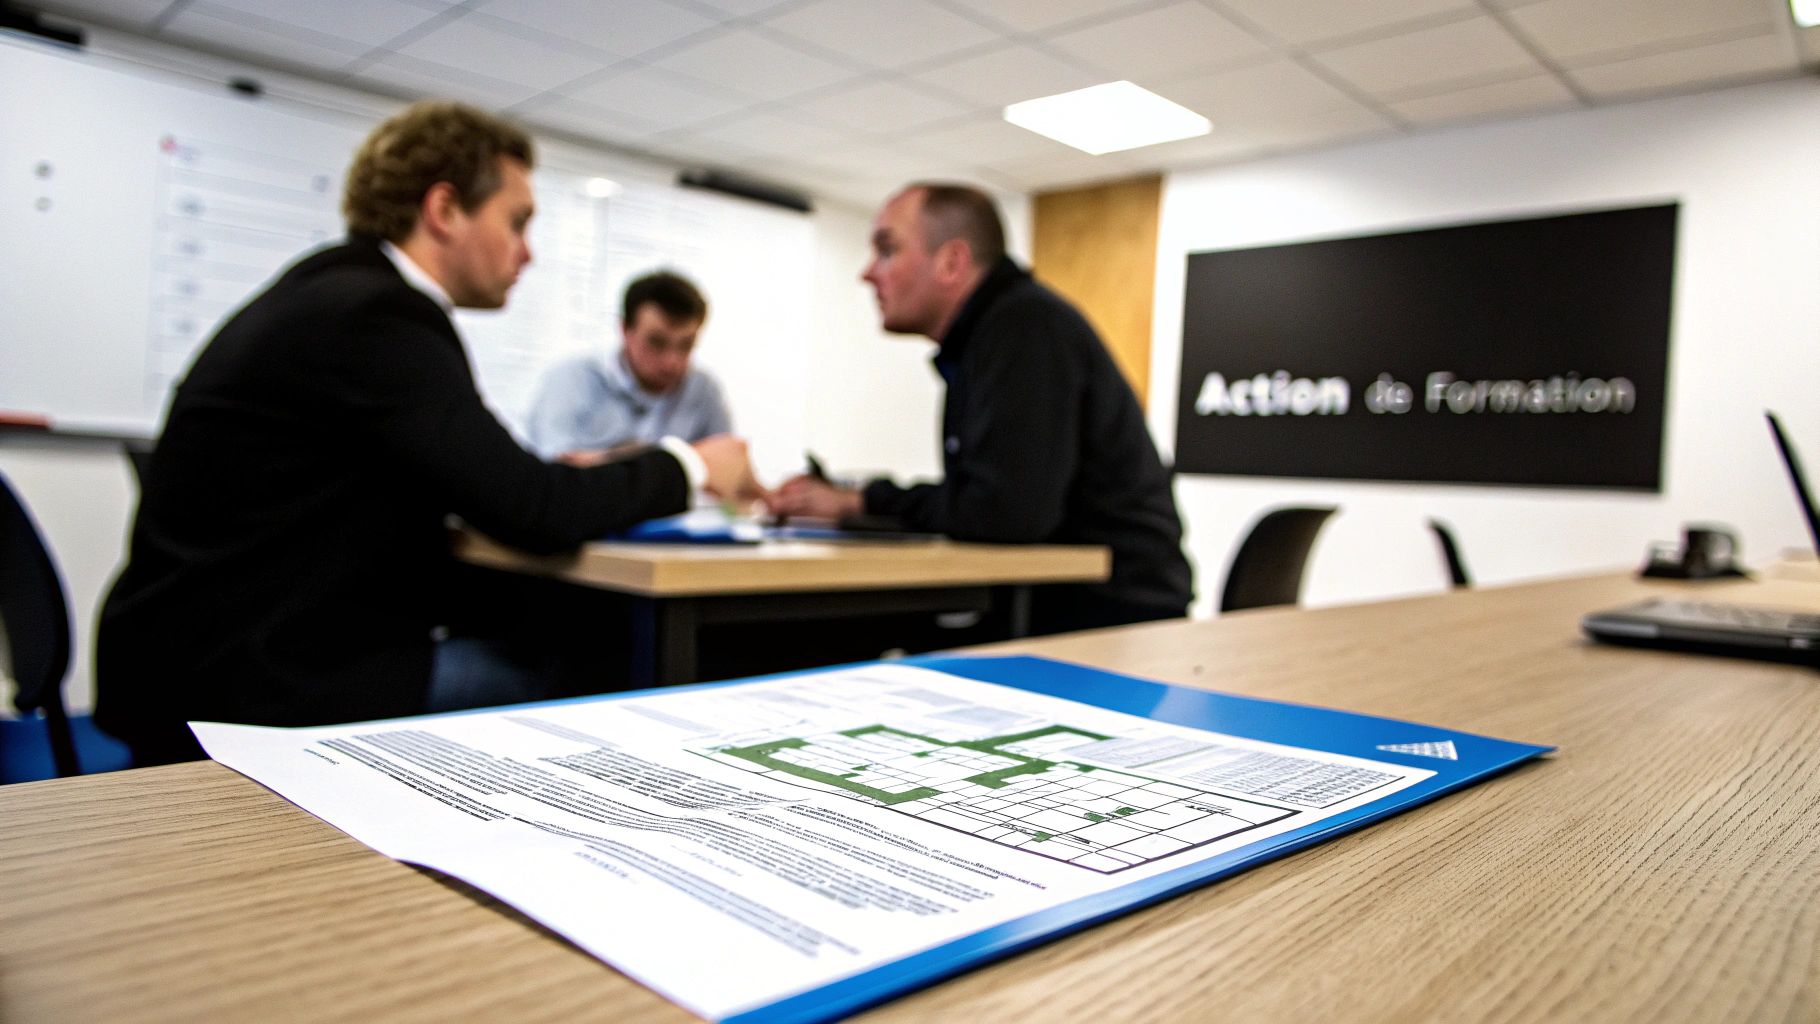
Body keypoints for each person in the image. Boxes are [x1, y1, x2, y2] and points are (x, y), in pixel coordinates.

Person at [95, 101, 759, 766]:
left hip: (197, 658)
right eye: (518, 222)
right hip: (254, 685)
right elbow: (535, 507)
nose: (529, 252)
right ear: (445, 211)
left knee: (532, 625)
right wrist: (691, 466)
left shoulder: (330, 293)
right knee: (583, 664)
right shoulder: (378, 316)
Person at [769, 183, 1193, 636]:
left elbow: (1003, 514)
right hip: (1068, 604)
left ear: (952, 261)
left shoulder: (1023, 327)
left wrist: (862, 500)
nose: (868, 274)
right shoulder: (998, 331)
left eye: (887, 250)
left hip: (1109, 621)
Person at [524, 271, 731, 459]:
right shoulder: (569, 380)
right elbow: (554, 471)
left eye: (687, 345)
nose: (672, 361)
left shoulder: (704, 390)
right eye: (656, 342)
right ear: (625, 330)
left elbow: (727, 472)